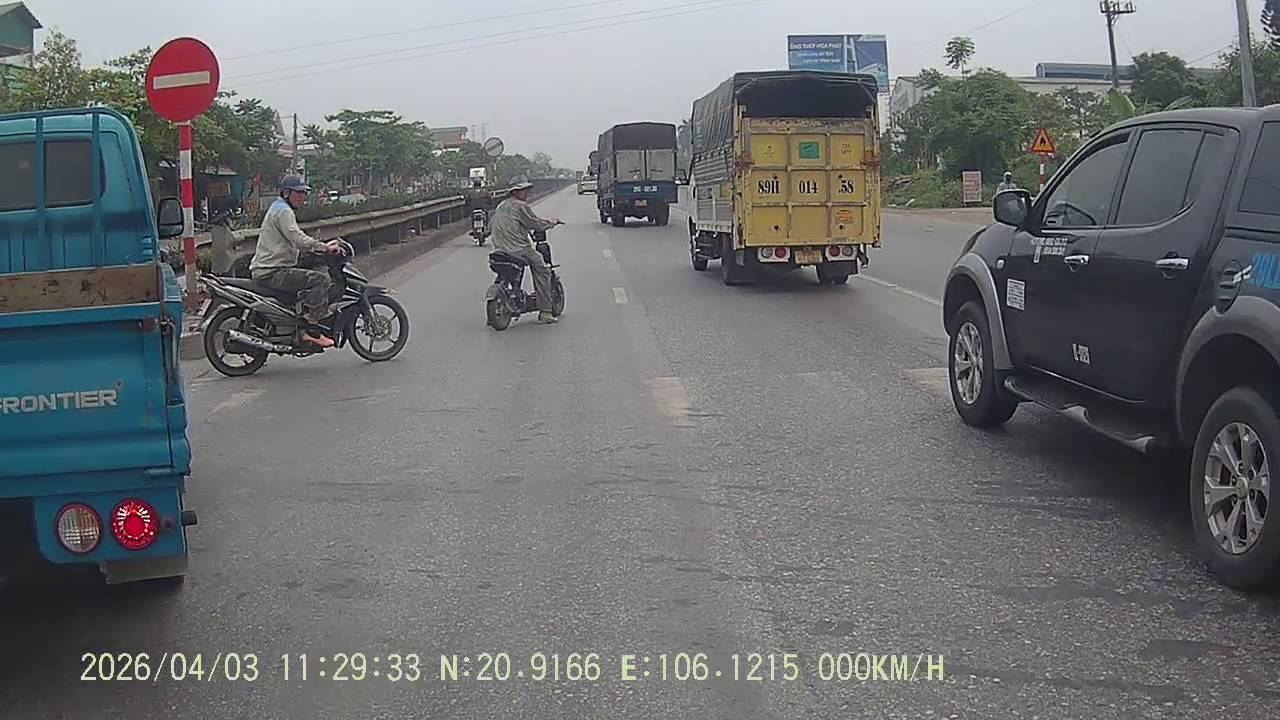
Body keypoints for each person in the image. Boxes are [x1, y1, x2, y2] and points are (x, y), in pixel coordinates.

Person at [250, 175, 344, 348]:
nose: (301, 197)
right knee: (320, 280)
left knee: (308, 274)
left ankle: (297, 324)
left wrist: (318, 247)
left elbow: (294, 239)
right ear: (286, 193)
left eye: (303, 193)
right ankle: (312, 330)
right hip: (273, 271)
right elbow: (297, 238)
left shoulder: (278, 208)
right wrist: (323, 247)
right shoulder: (283, 211)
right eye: (298, 193)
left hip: (271, 267)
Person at [489, 178, 562, 324]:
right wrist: (552, 223)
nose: (526, 193)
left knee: (504, 273)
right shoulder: (520, 206)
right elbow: (535, 223)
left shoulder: (501, 206)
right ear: (515, 192)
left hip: (499, 249)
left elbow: (491, 226)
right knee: (542, 269)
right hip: (519, 249)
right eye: (523, 190)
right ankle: (545, 311)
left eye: (526, 190)